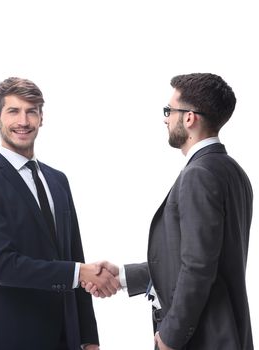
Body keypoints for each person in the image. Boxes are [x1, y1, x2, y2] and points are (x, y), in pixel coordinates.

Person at [85, 73, 254, 349]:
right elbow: (197, 259)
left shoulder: (199, 174)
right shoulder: (234, 171)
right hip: (228, 335)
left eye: (169, 110)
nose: (165, 119)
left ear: (189, 118)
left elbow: (198, 267)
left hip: (204, 338)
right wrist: (123, 276)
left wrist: (170, 335)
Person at [0, 77, 119, 350]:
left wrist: (89, 338)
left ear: (41, 118)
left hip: (67, 337)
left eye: (31, 111)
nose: (23, 121)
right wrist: (80, 272)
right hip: (13, 336)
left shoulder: (58, 180)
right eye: (13, 111)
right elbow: (3, 266)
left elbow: (74, 254)